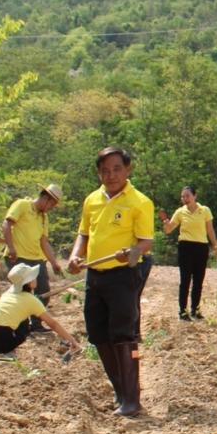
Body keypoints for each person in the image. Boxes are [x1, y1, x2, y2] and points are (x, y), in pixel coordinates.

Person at [67, 147, 154, 417]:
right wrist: (75, 256)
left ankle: (132, 398)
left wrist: (132, 253)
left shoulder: (140, 202)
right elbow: (84, 234)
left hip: (123, 277)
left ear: (128, 170)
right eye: (105, 170)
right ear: (98, 173)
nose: (111, 174)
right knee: (98, 334)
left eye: (116, 169)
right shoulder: (92, 200)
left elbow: (146, 242)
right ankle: (119, 391)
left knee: (123, 334)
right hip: (95, 276)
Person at [0, 263, 79, 362]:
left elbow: (20, 302)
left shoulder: (9, 292)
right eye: (33, 277)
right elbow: (53, 324)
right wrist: (72, 340)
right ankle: (7, 353)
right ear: (29, 282)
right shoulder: (31, 301)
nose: (36, 278)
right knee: (25, 325)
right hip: (1, 341)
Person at [2, 184, 65, 333]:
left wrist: (54, 263)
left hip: (37, 260)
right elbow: (7, 224)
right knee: (22, 292)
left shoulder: (44, 218)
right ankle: (18, 326)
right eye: (52, 204)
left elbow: (44, 242)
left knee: (43, 291)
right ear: (45, 198)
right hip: (18, 257)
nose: (52, 208)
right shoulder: (22, 205)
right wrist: (11, 247)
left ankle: (36, 324)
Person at [159, 186, 217, 320]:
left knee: (198, 280)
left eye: (187, 196)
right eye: (182, 196)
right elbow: (169, 230)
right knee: (185, 280)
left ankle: (195, 309)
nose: (185, 199)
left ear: (195, 196)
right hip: (185, 247)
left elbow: (210, 230)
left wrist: (214, 244)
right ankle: (182, 310)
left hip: (201, 247)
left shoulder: (205, 210)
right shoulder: (180, 212)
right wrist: (166, 223)